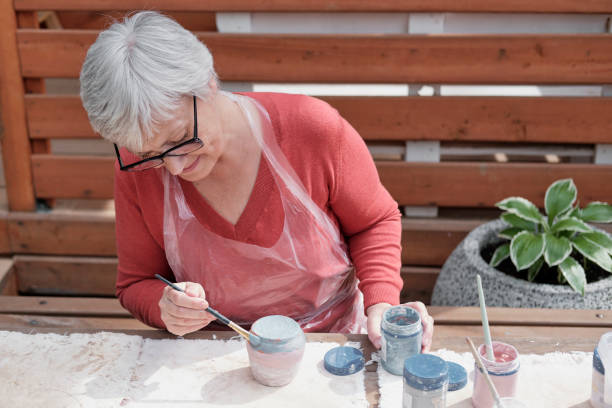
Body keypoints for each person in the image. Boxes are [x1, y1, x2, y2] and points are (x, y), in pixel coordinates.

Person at [79, 11, 434, 351]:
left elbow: (374, 221)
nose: (172, 166)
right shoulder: (136, 170)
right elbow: (135, 283)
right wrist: (166, 307)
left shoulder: (312, 130)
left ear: (208, 84)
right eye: (150, 154)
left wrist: (381, 304)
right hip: (211, 351)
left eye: (181, 138)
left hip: (332, 341)